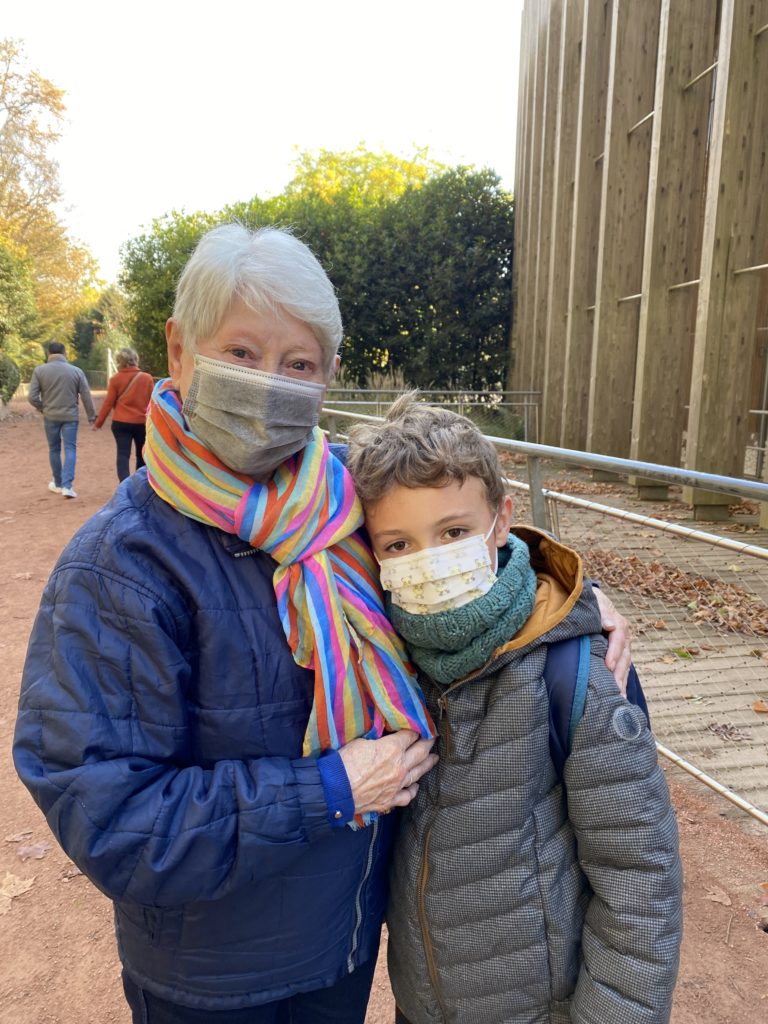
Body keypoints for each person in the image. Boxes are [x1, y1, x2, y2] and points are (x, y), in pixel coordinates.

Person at [13, 224, 631, 1024]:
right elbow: (106, 812)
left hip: (345, 943)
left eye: (298, 364)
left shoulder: (345, 499)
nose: (268, 384)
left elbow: (454, 536)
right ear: (180, 350)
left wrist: (562, 594)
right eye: (241, 353)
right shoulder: (121, 565)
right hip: (216, 981)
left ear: (328, 373)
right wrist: (328, 790)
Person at [346, 395, 683, 1024]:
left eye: (453, 533)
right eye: (398, 544)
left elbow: (639, 877)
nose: (429, 561)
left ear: (501, 521)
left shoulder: (573, 674)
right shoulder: (384, 657)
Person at [28, 340, 96, 498]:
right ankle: (67, 486)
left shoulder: (39, 371)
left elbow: (32, 397)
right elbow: (86, 395)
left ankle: (57, 483)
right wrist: (91, 416)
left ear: (48, 353)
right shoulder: (76, 371)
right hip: (70, 416)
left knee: (54, 449)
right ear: (65, 353)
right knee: (70, 448)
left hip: (50, 415)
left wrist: (43, 407)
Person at [92, 346, 154, 480]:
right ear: (136, 359)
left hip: (121, 422)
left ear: (119, 361)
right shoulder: (147, 378)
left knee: (123, 454)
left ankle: (124, 483)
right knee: (141, 455)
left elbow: (108, 403)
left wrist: (98, 423)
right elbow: (153, 403)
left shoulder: (115, 379)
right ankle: (139, 483)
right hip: (141, 423)